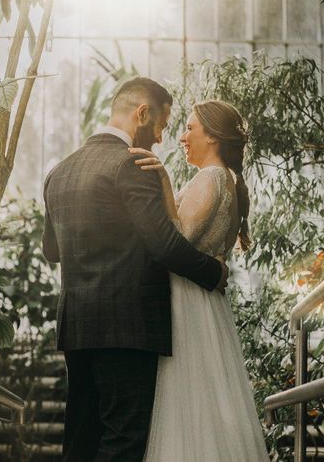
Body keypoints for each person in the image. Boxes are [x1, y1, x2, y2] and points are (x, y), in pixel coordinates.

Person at [41, 78, 229, 462]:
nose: (160, 139)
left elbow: (52, 250)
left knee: (81, 437)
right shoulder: (133, 165)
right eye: (160, 126)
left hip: (77, 326)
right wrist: (216, 274)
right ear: (141, 113)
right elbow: (164, 244)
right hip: (128, 327)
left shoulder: (59, 172)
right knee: (123, 439)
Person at [130, 99, 269, 462]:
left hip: (188, 303)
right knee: (207, 403)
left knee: (188, 402)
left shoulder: (211, 178)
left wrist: (162, 179)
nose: (182, 136)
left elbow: (176, 240)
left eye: (190, 128)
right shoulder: (225, 179)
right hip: (205, 302)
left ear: (213, 137)